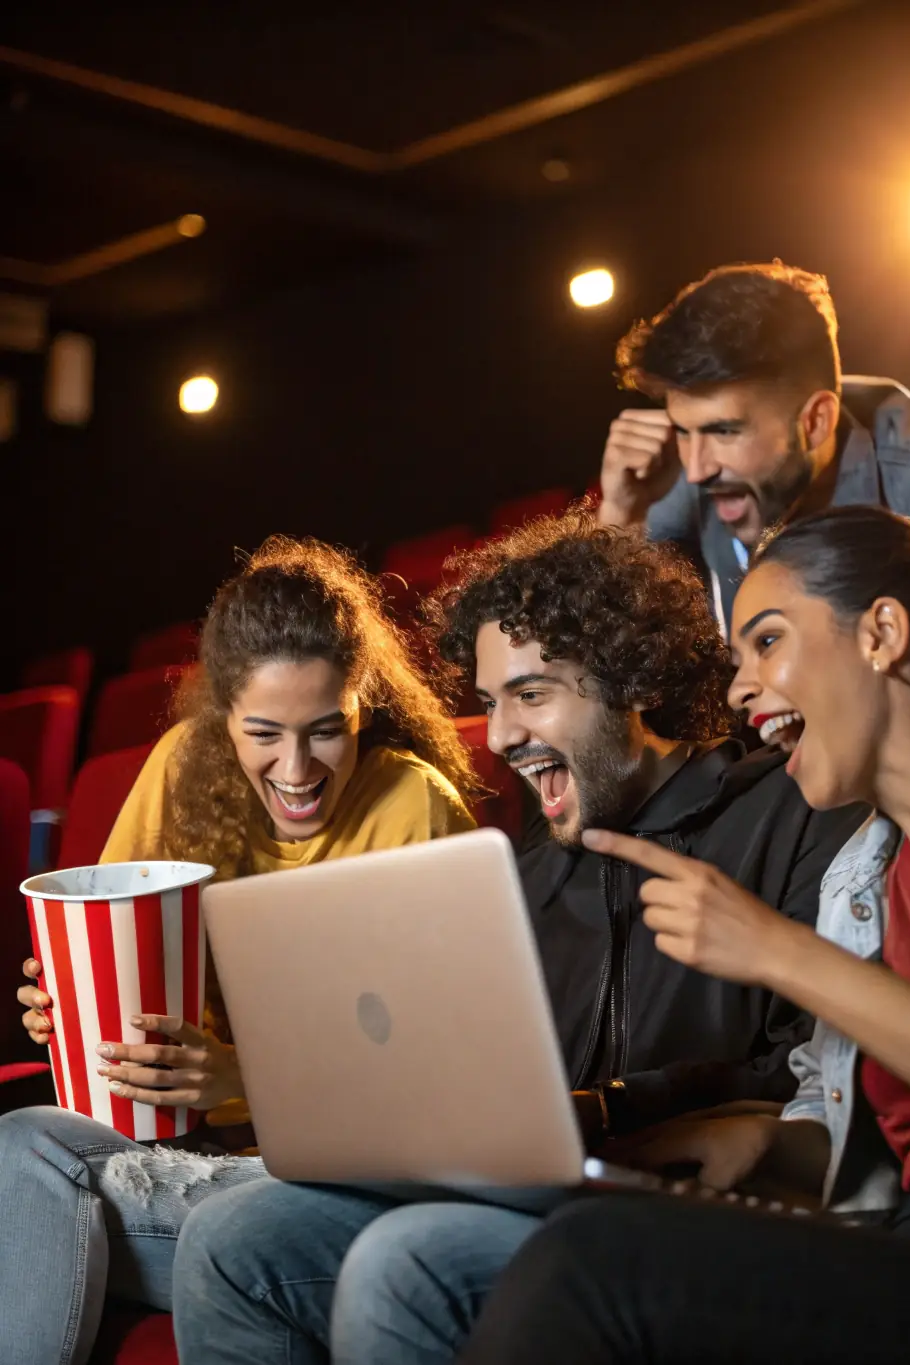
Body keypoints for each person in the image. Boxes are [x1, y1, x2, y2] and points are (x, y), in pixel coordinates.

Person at [169, 511, 864, 1365]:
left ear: (632, 680)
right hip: (544, 1186)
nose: (498, 736)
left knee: (401, 1256)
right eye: (492, 702)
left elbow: (816, 1067)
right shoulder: (532, 869)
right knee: (233, 1236)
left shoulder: (787, 812)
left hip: (683, 1197)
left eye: (532, 695)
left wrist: (615, 1105)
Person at [448, 506, 910, 1365]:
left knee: (585, 1269)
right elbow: (875, 1145)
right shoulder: (858, 877)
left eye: (767, 641)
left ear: (882, 633)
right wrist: (756, 1138)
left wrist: (779, 953)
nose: (736, 686)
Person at [1, 535, 476, 1365]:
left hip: (334, 1180)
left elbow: (445, 1077)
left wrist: (246, 1076)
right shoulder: (185, 765)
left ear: (363, 697)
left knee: (57, 1214)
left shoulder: (414, 804)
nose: (295, 768)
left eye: (326, 730)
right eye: (264, 732)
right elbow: (111, 955)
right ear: (224, 714)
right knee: (22, 1142)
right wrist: (68, 1009)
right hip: (184, 1154)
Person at [597, 260, 910, 633]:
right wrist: (621, 514)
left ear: (816, 422)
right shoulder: (694, 476)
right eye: (684, 431)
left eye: (724, 432)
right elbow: (605, 661)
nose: (696, 469)